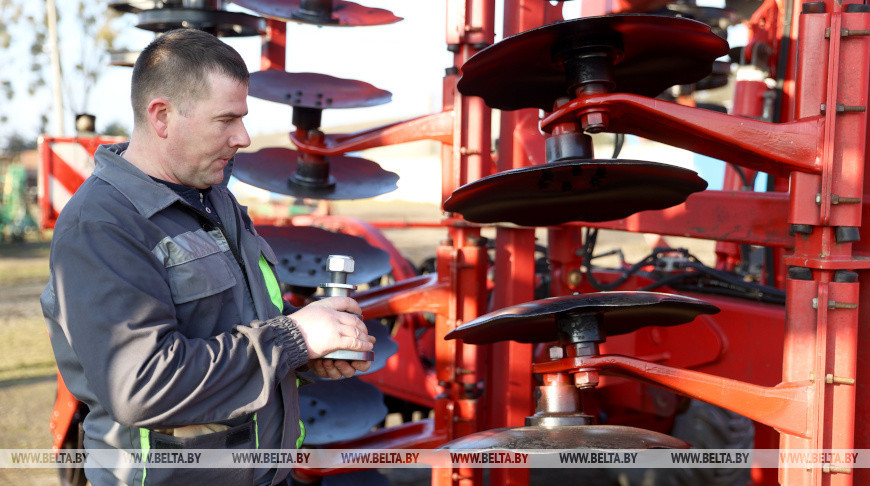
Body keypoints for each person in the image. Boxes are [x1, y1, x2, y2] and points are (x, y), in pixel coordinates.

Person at [41, 28, 374, 486]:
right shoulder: (102, 225)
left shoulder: (214, 200)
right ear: (162, 116)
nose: (244, 137)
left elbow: (239, 323)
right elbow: (142, 385)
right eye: (226, 119)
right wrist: (292, 338)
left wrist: (308, 352)